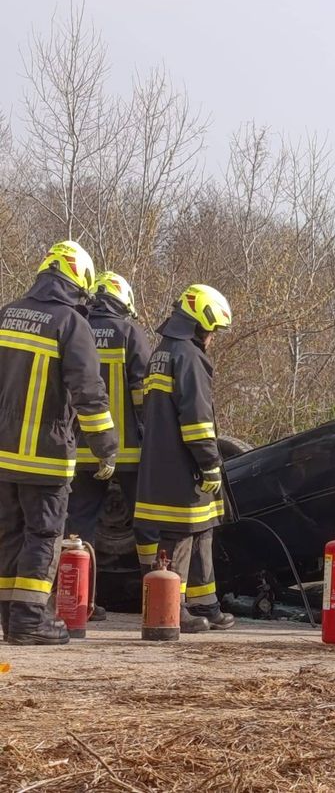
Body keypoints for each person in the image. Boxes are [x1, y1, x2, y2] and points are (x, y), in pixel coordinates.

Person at [0, 241, 118, 645]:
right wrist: (106, 446)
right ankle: (30, 621)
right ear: (79, 279)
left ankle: (11, 620)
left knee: (9, 534)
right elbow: (88, 391)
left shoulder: (9, 313)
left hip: (3, 455)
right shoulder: (70, 323)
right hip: (45, 456)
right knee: (44, 535)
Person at [133, 284, 235, 633]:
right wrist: (209, 461)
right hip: (183, 465)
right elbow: (196, 417)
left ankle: (205, 602)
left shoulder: (162, 352)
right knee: (179, 536)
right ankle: (175, 609)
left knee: (202, 530)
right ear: (200, 324)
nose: (213, 338)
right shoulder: (189, 357)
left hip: (161, 461)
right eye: (213, 331)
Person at [66, 272, 151, 621]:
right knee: (145, 524)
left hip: (81, 449)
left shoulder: (76, 328)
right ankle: (155, 599)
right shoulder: (130, 334)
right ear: (124, 300)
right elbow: (144, 393)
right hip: (128, 453)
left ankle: (80, 602)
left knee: (78, 525)